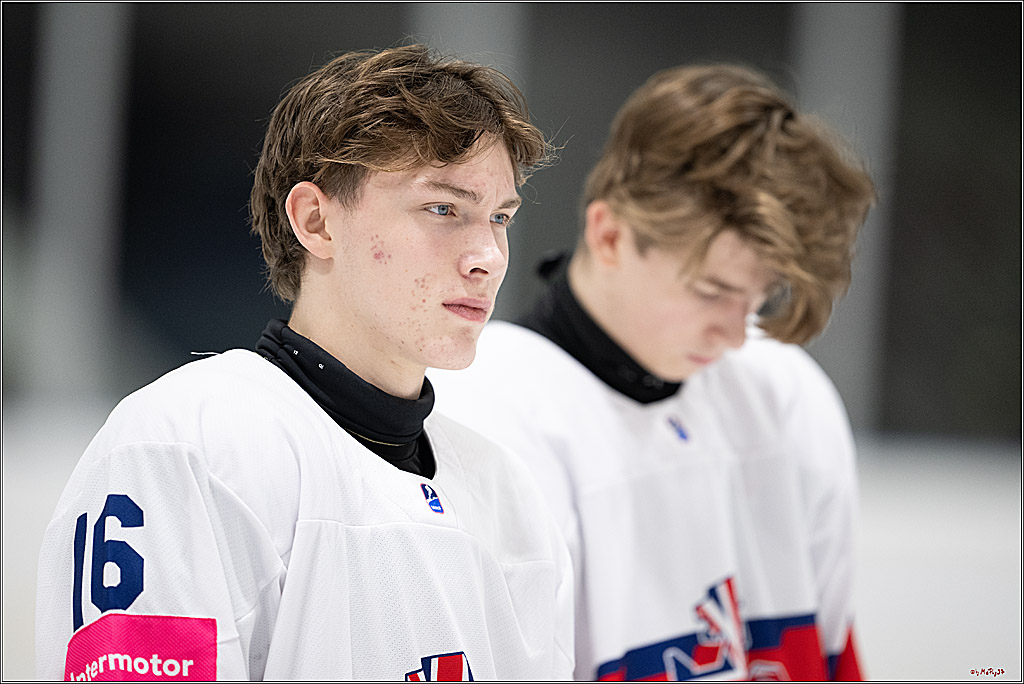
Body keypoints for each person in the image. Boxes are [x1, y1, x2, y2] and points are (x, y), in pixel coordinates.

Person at [35, 44, 574, 681]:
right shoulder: (184, 445)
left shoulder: (504, 490)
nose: (487, 254)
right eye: (444, 209)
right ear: (316, 221)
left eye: (500, 217)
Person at [430, 63, 875, 681]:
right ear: (610, 236)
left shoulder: (787, 393)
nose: (733, 332)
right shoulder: (481, 417)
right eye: (711, 289)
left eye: (759, 297)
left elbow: (831, 655)